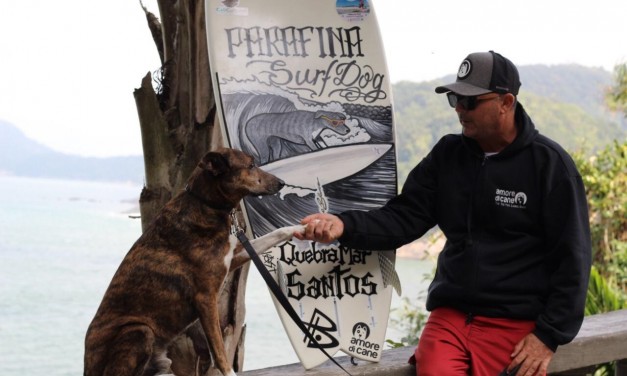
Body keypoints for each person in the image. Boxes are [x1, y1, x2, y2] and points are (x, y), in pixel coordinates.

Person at [295, 51, 592, 375]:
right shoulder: (448, 155)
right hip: (451, 317)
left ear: (506, 102)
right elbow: (404, 217)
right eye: (454, 98)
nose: (459, 109)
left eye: (470, 101)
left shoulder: (550, 166)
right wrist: (344, 224)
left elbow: (573, 258)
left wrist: (548, 336)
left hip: (516, 322)